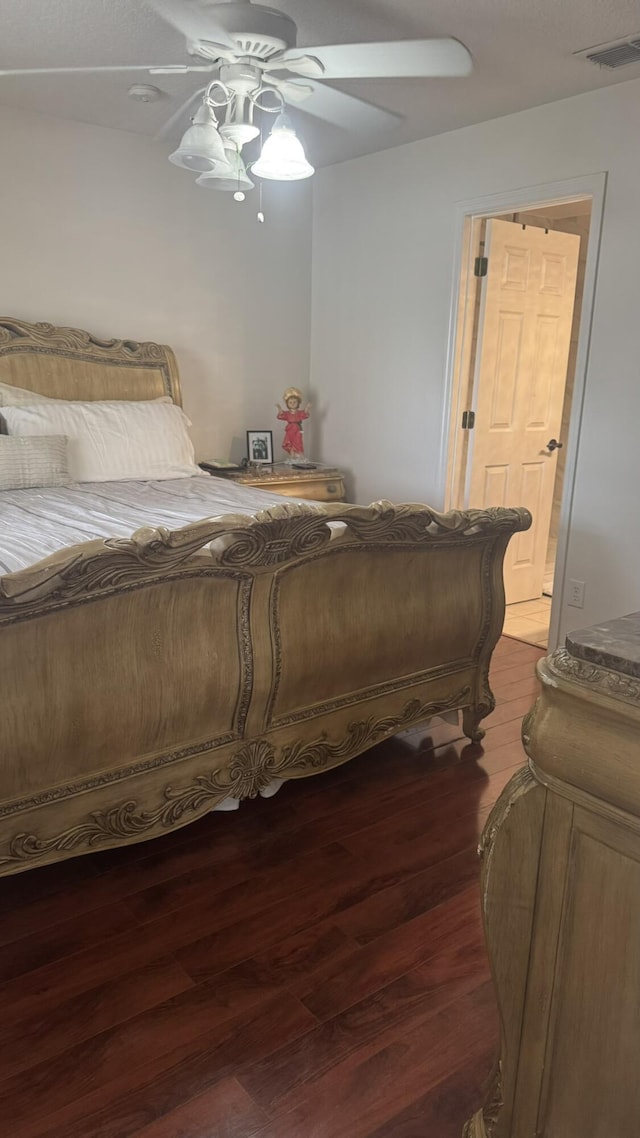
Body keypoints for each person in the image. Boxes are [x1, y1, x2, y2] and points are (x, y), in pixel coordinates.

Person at [276, 387, 311, 460]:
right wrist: (279, 409)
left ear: (298, 403)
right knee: (290, 443)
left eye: (294, 402)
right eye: (290, 402)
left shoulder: (299, 413)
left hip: (297, 430)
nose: (292, 404)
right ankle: (292, 456)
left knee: (298, 442)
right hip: (289, 430)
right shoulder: (287, 413)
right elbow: (281, 416)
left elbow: (305, 414)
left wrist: (307, 408)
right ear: (287, 403)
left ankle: (301, 456)